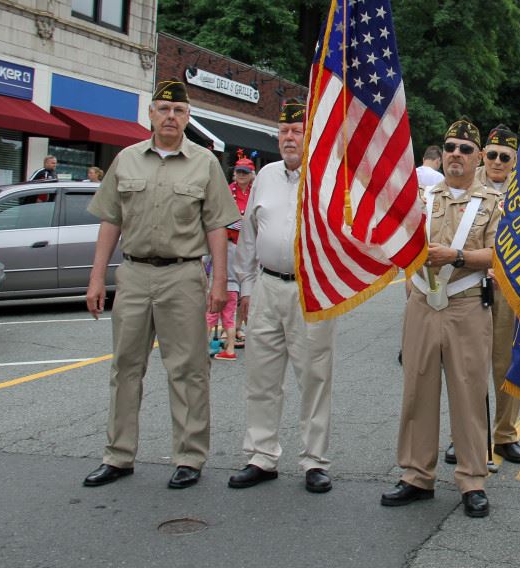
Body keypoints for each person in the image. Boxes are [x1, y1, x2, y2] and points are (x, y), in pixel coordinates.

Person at [82, 79, 240, 490]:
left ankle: (189, 457)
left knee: (188, 369)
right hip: (133, 275)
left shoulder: (204, 164)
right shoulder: (126, 160)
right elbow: (110, 221)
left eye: (179, 111)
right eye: (164, 109)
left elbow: (217, 227)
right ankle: (118, 455)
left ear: (188, 118)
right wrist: (97, 277)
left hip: (183, 275)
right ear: (150, 114)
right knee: (125, 367)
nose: (171, 117)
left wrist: (219, 283)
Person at [382, 119, 501, 518]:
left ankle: (472, 480)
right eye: (451, 146)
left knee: (468, 394)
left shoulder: (492, 203)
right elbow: (399, 241)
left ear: (478, 157)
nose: (456, 154)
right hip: (422, 305)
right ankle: (417, 476)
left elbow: (501, 256)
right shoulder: (421, 198)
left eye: (466, 149)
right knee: (417, 390)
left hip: (466, 305)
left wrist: (458, 257)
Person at [227, 100, 338, 494]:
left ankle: (313, 461)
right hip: (267, 287)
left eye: (297, 131)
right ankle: (261, 455)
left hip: (311, 291)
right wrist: (244, 288)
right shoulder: (266, 177)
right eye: (284, 132)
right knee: (262, 376)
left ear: (309, 135)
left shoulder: (327, 176)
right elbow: (249, 236)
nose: (289, 138)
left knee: (314, 378)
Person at [474, 124, 520, 464]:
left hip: (509, 287)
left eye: (504, 156)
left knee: (507, 365)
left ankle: (505, 434)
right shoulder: (466, 183)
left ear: (514, 160)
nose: (496, 161)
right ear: (482, 155)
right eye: (491, 154)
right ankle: (466, 435)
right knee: (471, 366)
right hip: (469, 285)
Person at [208, 152, 255, 360]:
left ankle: (237, 327)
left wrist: (244, 222)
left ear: (252, 174)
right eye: (238, 172)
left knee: (246, 288)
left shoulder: (255, 192)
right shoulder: (229, 192)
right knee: (230, 287)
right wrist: (240, 222)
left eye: (245, 172)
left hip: (252, 246)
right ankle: (230, 330)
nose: (241, 175)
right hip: (230, 245)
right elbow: (221, 217)